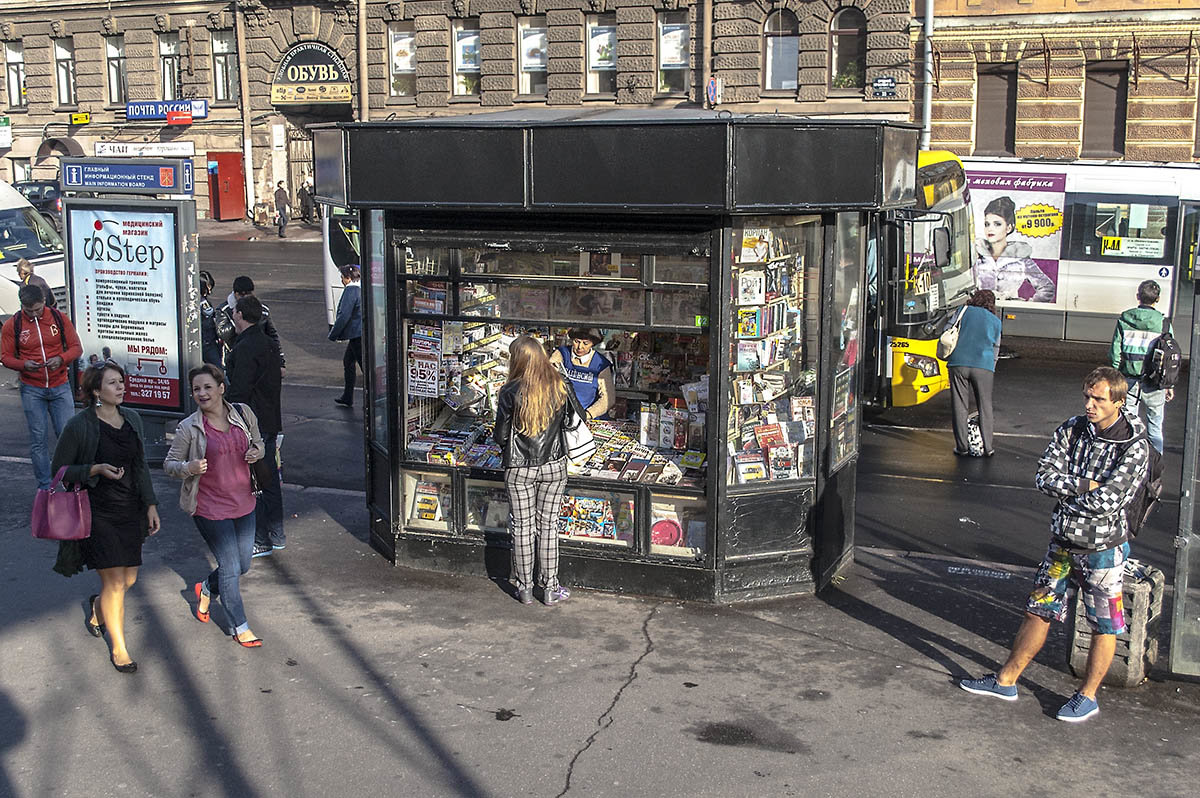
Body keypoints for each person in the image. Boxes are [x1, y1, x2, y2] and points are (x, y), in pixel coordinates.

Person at [959, 367, 1149, 722]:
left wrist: (1072, 490)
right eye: (1087, 397)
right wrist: (1084, 485)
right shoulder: (1072, 428)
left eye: (1098, 399)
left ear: (1119, 402)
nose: (1090, 405)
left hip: (1103, 549)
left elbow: (1110, 501)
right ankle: (1006, 680)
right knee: (1038, 610)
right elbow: (1044, 477)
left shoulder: (1135, 446)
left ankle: (1087, 696)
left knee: (1103, 625)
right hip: (1062, 543)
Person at [52, 362, 161, 674]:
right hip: (96, 513)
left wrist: (150, 504)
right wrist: (94, 469)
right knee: (114, 582)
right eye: (113, 383)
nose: (121, 387)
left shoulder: (132, 419)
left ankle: (98, 610)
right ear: (96, 391)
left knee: (128, 579)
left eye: (122, 382)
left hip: (130, 510)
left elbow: (140, 465)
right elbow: (57, 471)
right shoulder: (80, 426)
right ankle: (120, 648)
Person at [164, 364, 267, 648]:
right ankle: (240, 627)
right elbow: (169, 465)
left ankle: (207, 588)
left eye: (208, 387)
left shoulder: (243, 413)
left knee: (243, 565)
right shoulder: (189, 428)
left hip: (245, 502)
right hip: (209, 507)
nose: (202, 393)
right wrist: (189, 467)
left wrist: (256, 451)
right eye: (196, 389)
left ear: (221, 388)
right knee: (231, 568)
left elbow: (260, 443)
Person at [493, 335, 586, 606]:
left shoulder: (510, 391)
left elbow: (500, 436)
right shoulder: (559, 385)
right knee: (548, 527)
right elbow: (574, 421)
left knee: (522, 528)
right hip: (554, 465)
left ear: (518, 360)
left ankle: (524, 589)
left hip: (519, 468)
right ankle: (549, 588)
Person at [1, 284, 83, 489]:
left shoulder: (59, 318)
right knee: (38, 439)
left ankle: (71, 481)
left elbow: (76, 348)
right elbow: (4, 356)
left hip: (60, 384)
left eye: (38, 310)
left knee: (66, 436)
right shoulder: (13, 325)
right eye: (29, 311)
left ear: (44, 302)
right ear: (22, 306)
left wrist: (61, 359)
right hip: (32, 388)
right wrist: (23, 365)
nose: (35, 314)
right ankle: (45, 487)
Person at [225, 296, 285, 558]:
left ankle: (260, 540)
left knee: (255, 482)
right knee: (269, 478)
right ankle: (277, 533)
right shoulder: (269, 344)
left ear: (239, 315)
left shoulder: (244, 347)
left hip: (253, 424)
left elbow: (239, 391)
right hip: (271, 418)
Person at [1110, 279, 1172, 453]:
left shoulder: (1125, 318)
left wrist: (1117, 375)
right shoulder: (1163, 323)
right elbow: (1169, 356)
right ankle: (1155, 468)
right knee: (1155, 427)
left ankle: (1127, 461)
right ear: (1157, 299)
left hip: (1128, 380)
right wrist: (1169, 384)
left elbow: (1115, 352)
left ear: (1138, 296)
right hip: (1154, 382)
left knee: (1129, 425)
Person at [947, 289, 1002, 457]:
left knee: (959, 405)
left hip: (958, 363)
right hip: (983, 365)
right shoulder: (995, 321)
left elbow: (947, 329)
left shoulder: (962, 311)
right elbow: (996, 347)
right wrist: (990, 365)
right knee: (985, 406)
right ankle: (988, 447)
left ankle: (962, 447)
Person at [973, 196, 1055, 303]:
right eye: (987, 224)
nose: (990, 228)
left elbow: (1047, 288)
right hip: (979, 310)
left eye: (997, 224)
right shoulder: (976, 254)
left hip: (1008, 311)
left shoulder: (1021, 258)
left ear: (1009, 228)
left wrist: (1027, 306)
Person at [218, 275, 286, 373]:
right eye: (242, 294)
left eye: (248, 294)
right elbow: (223, 333)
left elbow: (273, 336)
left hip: (260, 360)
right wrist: (238, 320)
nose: (245, 297)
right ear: (235, 294)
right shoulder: (224, 310)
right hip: (235, 361)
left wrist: (280, 362)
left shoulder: (262, 311)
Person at [548, 328, 614, 420]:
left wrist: (587, 415)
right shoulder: (561, 354)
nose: (580, 347)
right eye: (576, 341)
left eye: (585, 343)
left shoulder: (601, 364)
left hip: (588, 417)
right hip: (561, 414)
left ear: (593, 344)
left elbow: (608, 398)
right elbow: (547, 381)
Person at [329, 264, 362, 408]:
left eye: (342, 277)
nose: (341, 280)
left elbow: (344, 315)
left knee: (362, 366)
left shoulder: (351, 291)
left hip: (357, 335)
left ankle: (369, 399)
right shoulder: (361, 288)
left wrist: (334, 334)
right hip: (360, 333)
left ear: (348, 278)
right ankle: (347, 396)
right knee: (348, 361)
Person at [198, 270, 225, 368]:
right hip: (207, 342)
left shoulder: (200, 301)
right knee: (218, 369)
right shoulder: (202, 303)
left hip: (208, 340)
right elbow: (209, 315)